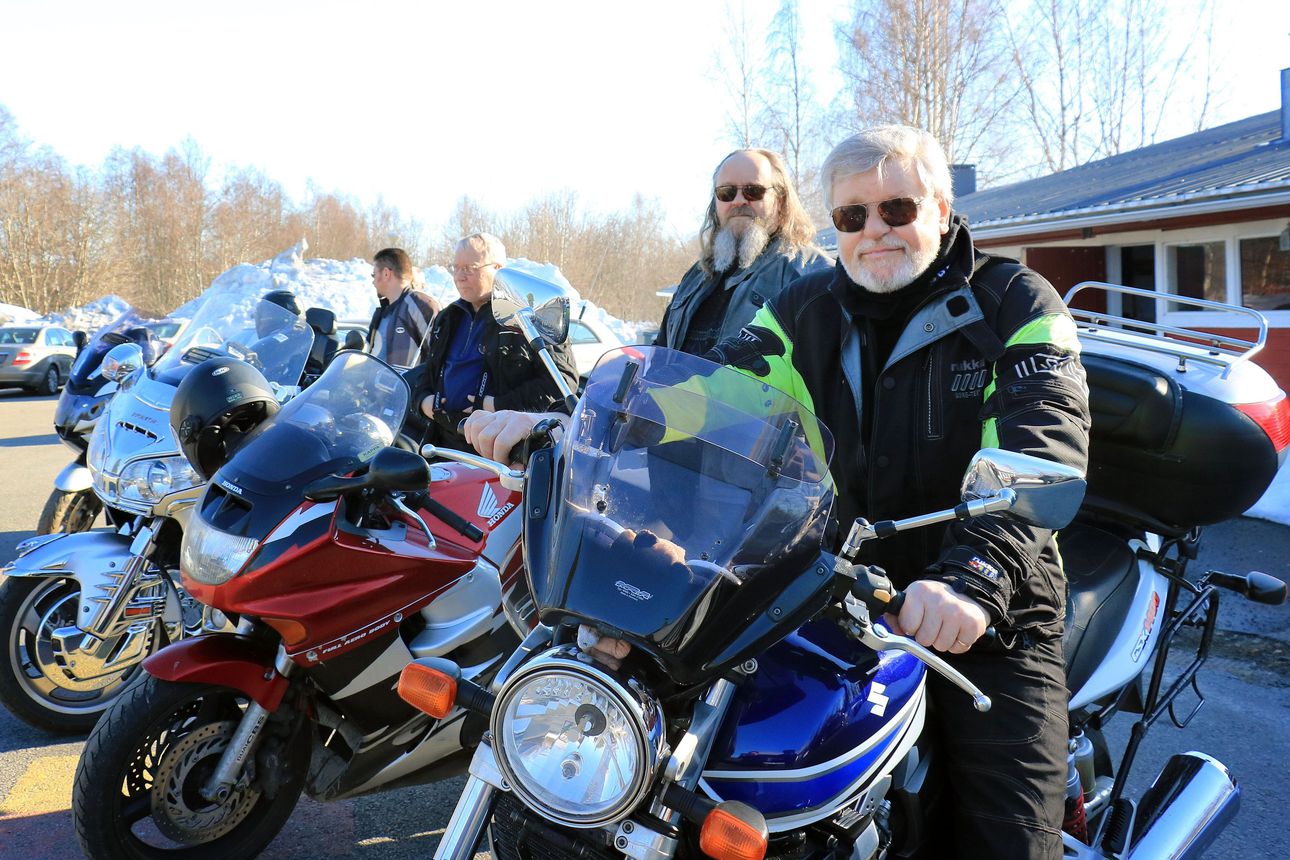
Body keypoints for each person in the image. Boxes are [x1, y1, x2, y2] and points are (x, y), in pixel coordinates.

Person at [464, 127, 1090, 859]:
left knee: (1005, 839)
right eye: (853, 217)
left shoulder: (1015, 301)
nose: (875, 231)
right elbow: (704, 401)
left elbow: (1040, 436)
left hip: (987, 614)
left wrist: (971, 578)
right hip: (839, 591)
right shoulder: (803, 311)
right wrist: (567, 430)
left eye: (898, 209)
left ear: (942, 209)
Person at [412, 232, 578, 452]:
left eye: (470, 268)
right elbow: (427, 372)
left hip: (500, 453)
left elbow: (561, 383)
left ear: (498, 269)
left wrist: (494, 405)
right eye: (456, 267)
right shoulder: (448, 318)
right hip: (441, 446)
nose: (459, 276)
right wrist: (424, 402)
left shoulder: (529, 315)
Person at [656, 148, 829, 355]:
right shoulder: (695, 277)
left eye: (753, 191)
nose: (738, 201)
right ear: (716, 204)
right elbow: (660, 352)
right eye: (726, 193)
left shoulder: (812, 275)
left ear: (781, 200)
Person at [367, 247, 441, 367]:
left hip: (408, 386)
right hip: (376, 385)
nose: (373, 282)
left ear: (386, 273)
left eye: (373, 275)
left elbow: (441, 355)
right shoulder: (382, 312)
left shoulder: (420, 305)